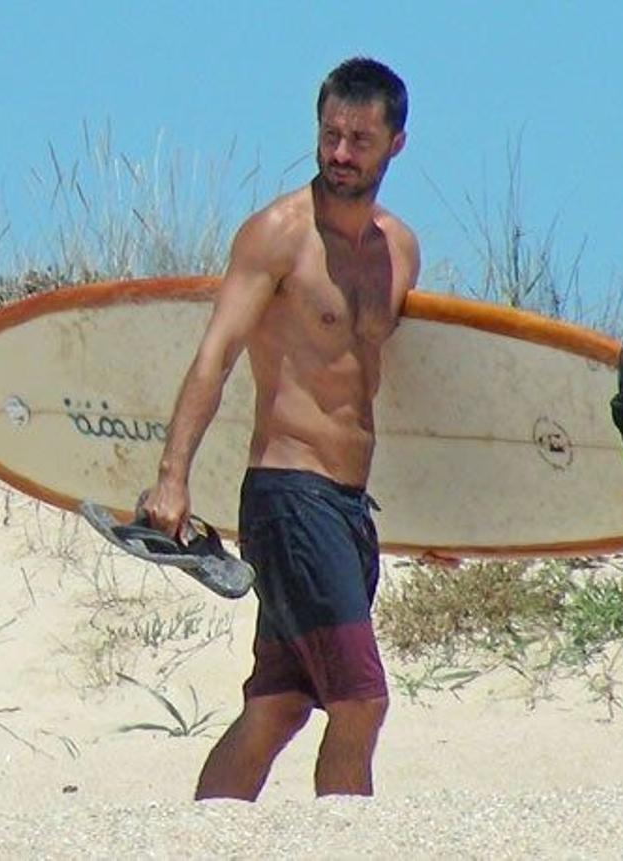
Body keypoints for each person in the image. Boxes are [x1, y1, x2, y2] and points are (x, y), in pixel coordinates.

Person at [141, 57, 418, 800]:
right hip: (288, 493)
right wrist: (173, 476)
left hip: (348, 507)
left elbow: (376, 393)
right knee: (361, 699)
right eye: (330, 134)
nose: (340, 154)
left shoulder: (399, 251)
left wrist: (438, 517)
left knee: (280, 703)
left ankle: (206, 839)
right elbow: (215, 354)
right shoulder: (278, 235)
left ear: (396, 142)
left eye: (361, 138)